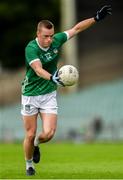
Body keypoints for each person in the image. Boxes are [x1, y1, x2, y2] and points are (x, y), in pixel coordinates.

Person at [21, 5, 112, 176]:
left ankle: (37, 144)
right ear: (38, 34)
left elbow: (76, 28)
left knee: (48, 134)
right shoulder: (31, 48)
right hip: (30, 95)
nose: (49, 39)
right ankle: (29, 165)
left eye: (51, 36)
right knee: (30, 133)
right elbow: (38, 69)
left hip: (48, 94)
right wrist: (52, 77)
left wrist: (96, 18)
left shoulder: (56, 40)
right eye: (46, 36)